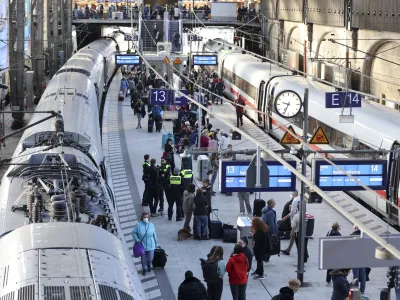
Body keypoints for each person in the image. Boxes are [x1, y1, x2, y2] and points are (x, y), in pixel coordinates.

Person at [281, 190, 300, 255]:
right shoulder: (300, 198)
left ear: (293, 195)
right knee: (292, 235)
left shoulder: (294, 201)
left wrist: (286, 217)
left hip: (296, 220)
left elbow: (292, 212)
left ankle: (302, 253)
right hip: (300, 219)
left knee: (294, 235)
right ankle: (288, 249)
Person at [350, 225, 366, 294]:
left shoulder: (352, 236)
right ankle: (362, 289)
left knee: (355, 274)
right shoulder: (364, 237)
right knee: (363, 274)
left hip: (355, 258)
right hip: (363, 258)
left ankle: (356, 288)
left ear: (355, 228)